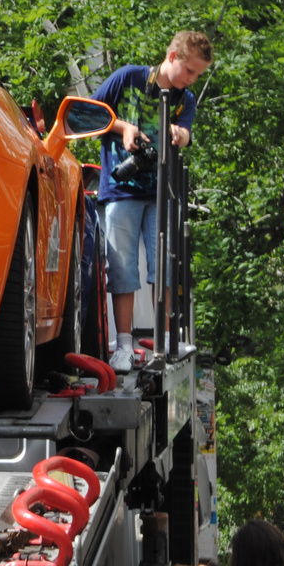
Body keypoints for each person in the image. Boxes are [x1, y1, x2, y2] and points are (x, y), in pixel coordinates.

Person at [91, 31, 213, 373]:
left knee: (166, 264)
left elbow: (186, 132)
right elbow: (87, 114)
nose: (191, 80)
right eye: (189, 71)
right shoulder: (127, 77)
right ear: (171, 57)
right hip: (122, 190)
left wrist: (180, 134)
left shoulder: (184, 99)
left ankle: (168, 340)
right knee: (122, 267)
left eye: (198, 75)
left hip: (162, 191)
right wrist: (124, 129)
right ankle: (124, 346)